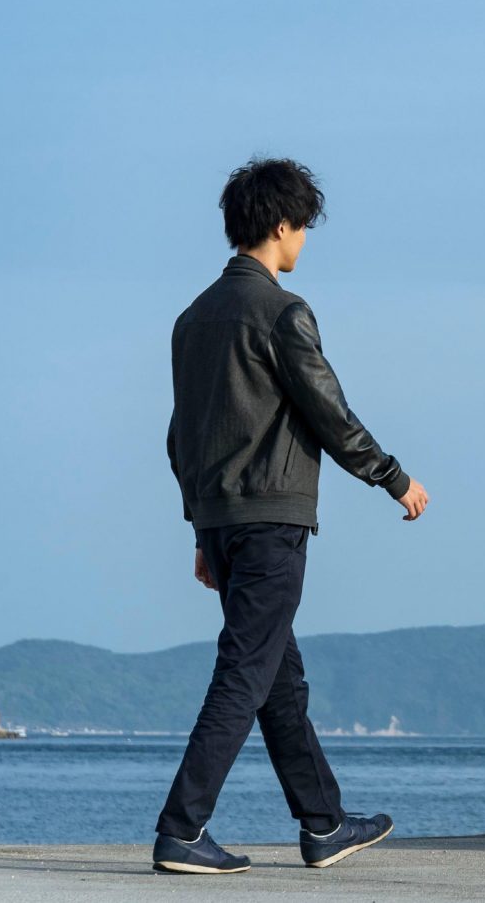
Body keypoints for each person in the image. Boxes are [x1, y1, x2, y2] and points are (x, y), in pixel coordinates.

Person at [152, 157, 431, 874]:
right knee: (247, 671)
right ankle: (182, 829)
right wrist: (393, 477)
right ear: (281, 226)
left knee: (279, 678)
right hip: (272, 520)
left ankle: (324, 823)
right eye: (302, 225)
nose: (304, 239)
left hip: (219, 519)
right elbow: (329, 412)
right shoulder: (282, 312)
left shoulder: (193, 319)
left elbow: (180, 437)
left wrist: (199, 527)